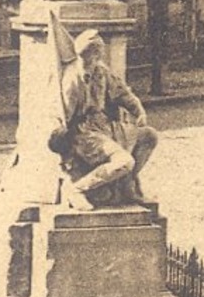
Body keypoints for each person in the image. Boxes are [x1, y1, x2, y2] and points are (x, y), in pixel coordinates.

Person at [51, 29, 159, 208]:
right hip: (84, 134)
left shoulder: (101, 71)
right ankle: (78, 189)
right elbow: (63, 117)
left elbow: (122, 92)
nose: (99, 56)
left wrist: (138, 110)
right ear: (91, 54)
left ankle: (127, 185)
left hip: (105, 127)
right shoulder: (72, 79)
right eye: (97, 52)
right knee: (125, 162)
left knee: (148, 136)